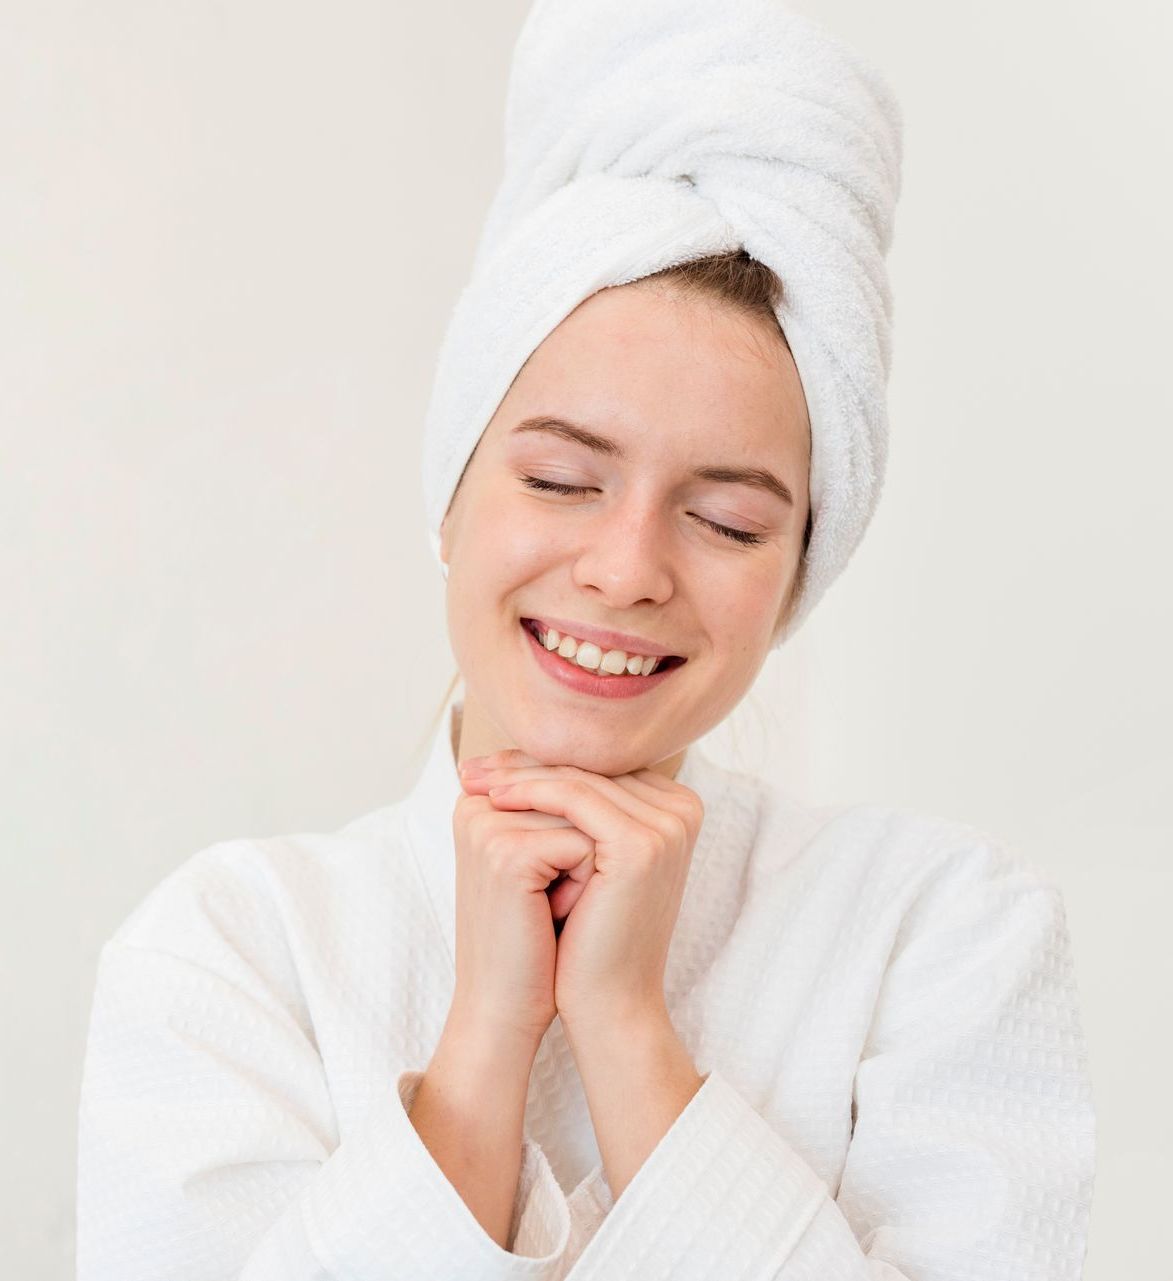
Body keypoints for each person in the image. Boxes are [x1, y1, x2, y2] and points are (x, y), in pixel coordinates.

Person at [76, 3, 1096, 1279]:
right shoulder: (233, 951)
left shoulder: (942, 932)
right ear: (450, 498)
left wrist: (624, 1030)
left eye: (726, 520)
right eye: (562, 481)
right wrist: (487, 1040)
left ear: (795, 584)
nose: (625, 569)